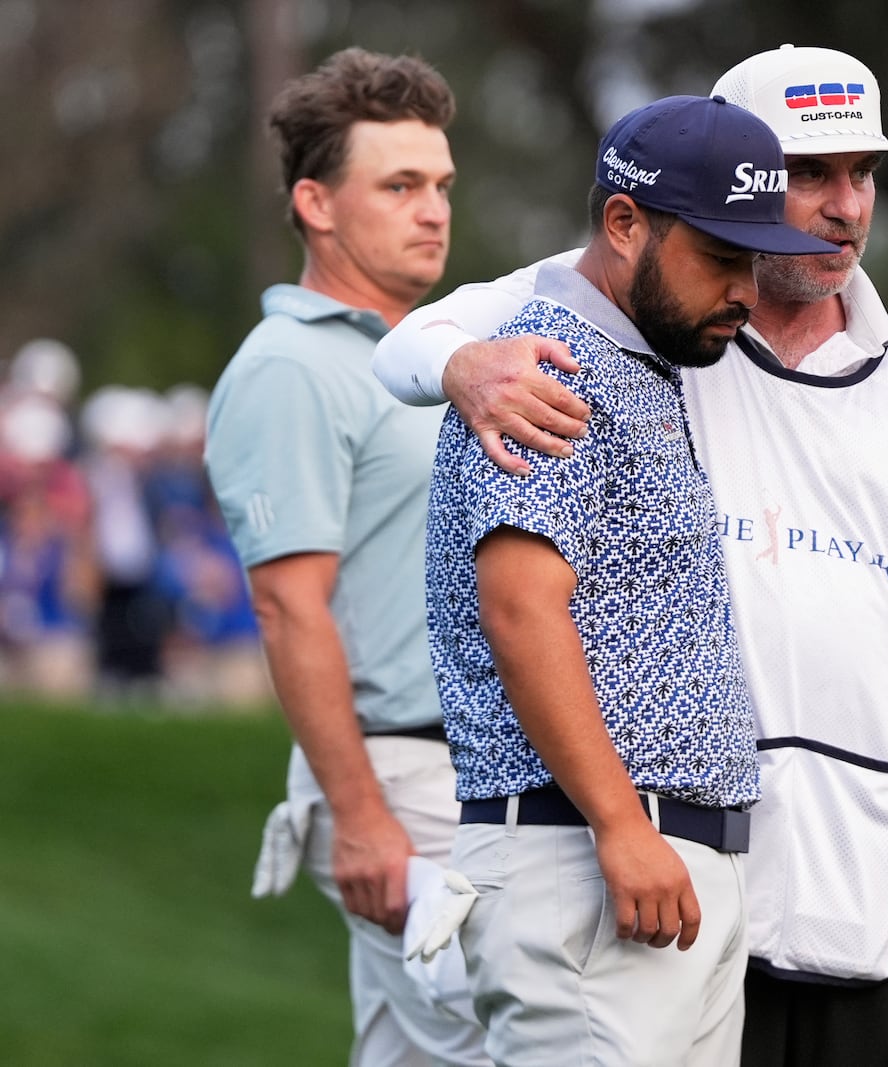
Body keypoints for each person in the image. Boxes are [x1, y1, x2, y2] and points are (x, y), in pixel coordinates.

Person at [373, 45, 888, 1066]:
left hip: (863, 872)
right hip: (653, 864)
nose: (842, 206)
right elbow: (409, 348)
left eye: (862, 174)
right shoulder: (635, 324)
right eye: (807, 174)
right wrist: (468, 366)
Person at [428, 94, 836, 1065]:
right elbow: (521, 607)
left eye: (751, 260)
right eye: (720, 257)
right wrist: (620, 822)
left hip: (663, 866)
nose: (744, 289)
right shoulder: (549, 368)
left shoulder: (648, 364)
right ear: (624, 223)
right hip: (583, 855)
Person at [204, 48, 502, 1066]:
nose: (433, 210)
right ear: (315, 203)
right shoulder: (290, 365)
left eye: (442, 186)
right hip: (402, 776)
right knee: (520, 1044)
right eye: (401, 185)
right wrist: (362, 816)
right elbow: (291, 610)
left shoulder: (436, 350)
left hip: (468, 768)